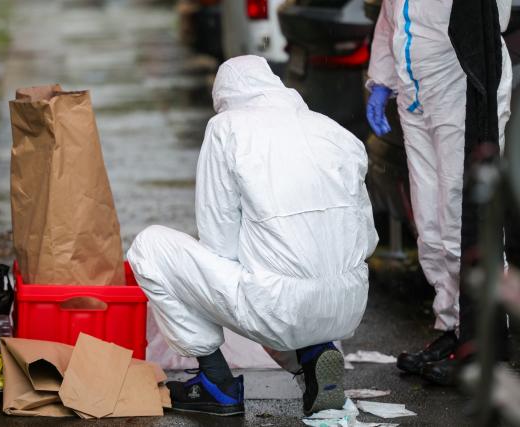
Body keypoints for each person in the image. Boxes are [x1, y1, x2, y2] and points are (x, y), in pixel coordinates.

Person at [128, 55, 378, 416]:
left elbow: (219, 242)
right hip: (349, 303)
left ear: (225, 98)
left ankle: (216, 383)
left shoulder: (226, 128)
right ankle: (314, 360)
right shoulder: (335, 132)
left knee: (149, 248)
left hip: (279, 308)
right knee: (288, 277)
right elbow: (366, 239)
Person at [366, 0, 512, 383]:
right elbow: (389, 18)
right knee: (430, 224)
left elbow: (488, 19)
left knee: (461, 220)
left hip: (464, 88)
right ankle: (451, 328)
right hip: (417, 94)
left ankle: (480, 341)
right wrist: (381, 80)